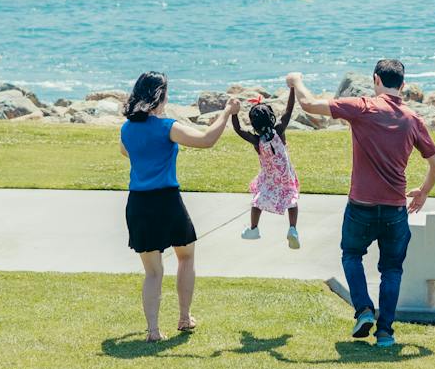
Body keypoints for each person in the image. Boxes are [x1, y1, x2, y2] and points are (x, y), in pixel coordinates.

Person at [287, 60, 435, 348]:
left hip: (361, 206)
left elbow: (308, 105)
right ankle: (385, 333)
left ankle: (364, 310)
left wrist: (295, 80)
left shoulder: (362, 107)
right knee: (392, 270)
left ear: (375, 80)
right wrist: (423, 191)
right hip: (395, 209)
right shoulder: (412, 119)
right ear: (403, 85)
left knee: (351, 255)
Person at [119, 70, 239, 342]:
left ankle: (152, 330)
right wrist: (227, 112)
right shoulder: (167, 127)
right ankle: (184, 317)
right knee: (186, 256)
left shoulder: (126, 129)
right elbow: (207, 140)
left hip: (138, 203)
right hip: (167, 201)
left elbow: (126, 151)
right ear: (160, 96)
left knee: (152, 271)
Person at [230, 87, 301, 248]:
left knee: (257, 200)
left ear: (254, 123)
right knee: (291, 199)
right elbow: (288, 110)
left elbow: (238, 129)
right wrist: (292, 89)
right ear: (272, 118)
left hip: (268, 178)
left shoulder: (257, 140)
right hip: (285, 176)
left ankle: (254, 228)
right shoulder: (279, 131)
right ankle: (292, 228)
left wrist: (234, 112)